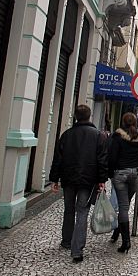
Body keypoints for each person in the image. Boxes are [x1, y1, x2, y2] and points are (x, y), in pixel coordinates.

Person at [49, 104, 108, 262]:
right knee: (82, 212)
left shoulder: (67, 135)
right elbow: (102, 160)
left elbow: (58, 159)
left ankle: (66, 241)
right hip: (88, 181)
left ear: (76, 117)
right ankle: (77, 250)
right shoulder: (98, 135)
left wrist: (54, 179)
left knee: (69, 210)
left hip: (68, 179)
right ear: (89, 116)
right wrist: (102, 180)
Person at [108, 112, 138, 253]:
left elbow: (112, 157)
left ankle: (125, 242)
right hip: (135, 175)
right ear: (135, 122)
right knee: (125, 205)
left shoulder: (117, 136)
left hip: (120, 174)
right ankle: (118, 232)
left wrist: (110, 173)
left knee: (123, 207)